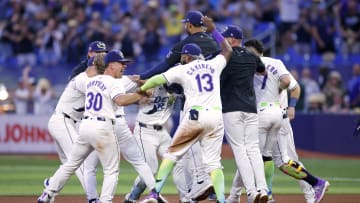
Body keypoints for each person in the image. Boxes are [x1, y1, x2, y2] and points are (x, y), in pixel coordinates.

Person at [137, 15, 232, 203]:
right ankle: (221, 200)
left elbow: (158, 79)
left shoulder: (183, 69)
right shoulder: (214, 65)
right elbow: (227, 50)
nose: (182, 58)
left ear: (188, 56)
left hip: (195, 116)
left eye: (183, 56)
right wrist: (214, 31)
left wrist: (142, 88)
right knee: (214, 164)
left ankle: (154, 193)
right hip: (216, 117)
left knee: (172, 154)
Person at [37, 50, 144, 203]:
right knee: (109, 170)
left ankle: (47, 193)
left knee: (71, 164)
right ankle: (100, 200)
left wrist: (134, 81)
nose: (122, 67)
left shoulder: (91, 80)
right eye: (120, 64)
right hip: (87, 125)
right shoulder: (100, 81)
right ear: (107, 66)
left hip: (83, 125)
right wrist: (141, 92)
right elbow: (120, 98)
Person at [245, 39, 330, 203]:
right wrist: (291, 106)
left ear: (256, 52)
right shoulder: (276, 63)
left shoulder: (253, 66)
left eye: (248, 51)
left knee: (284, 159)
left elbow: (293, 87)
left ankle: (313, 187)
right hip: (278, 114)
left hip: (274, 117)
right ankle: (267, 194)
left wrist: (290, 107)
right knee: (267, 157)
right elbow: (291, 85)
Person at [219, 25, 268, 203]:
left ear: (232, 39)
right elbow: (263, 71)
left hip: (231, 109)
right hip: (250, 108)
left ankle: (252, 192)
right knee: (254, 149)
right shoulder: (251, 56)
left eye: (225, 38)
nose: (222, 41)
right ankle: (263, 189)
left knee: (240, 151)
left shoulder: (224, 56)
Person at [123, 81, 177, 203]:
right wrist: (138, 98)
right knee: (151, 169)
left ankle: (185, 197)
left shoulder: (179, 87)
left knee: (174, 161)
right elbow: (134, 89)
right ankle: (133, 197)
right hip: (145, 131)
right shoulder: (153, 84)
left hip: (162, 132)